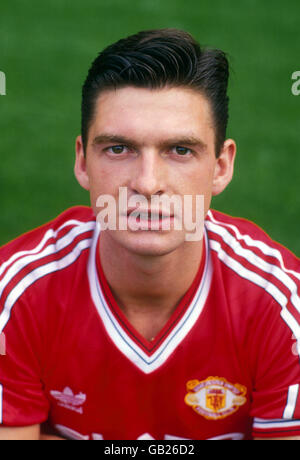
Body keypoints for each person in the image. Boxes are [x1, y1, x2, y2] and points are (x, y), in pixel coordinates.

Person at [0, 29, 299, 441]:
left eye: (180, 150)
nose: (147, 183)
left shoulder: (283, 306)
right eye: (119, 149)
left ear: (221, 167)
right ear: (82, 161)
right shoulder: (13, 294)